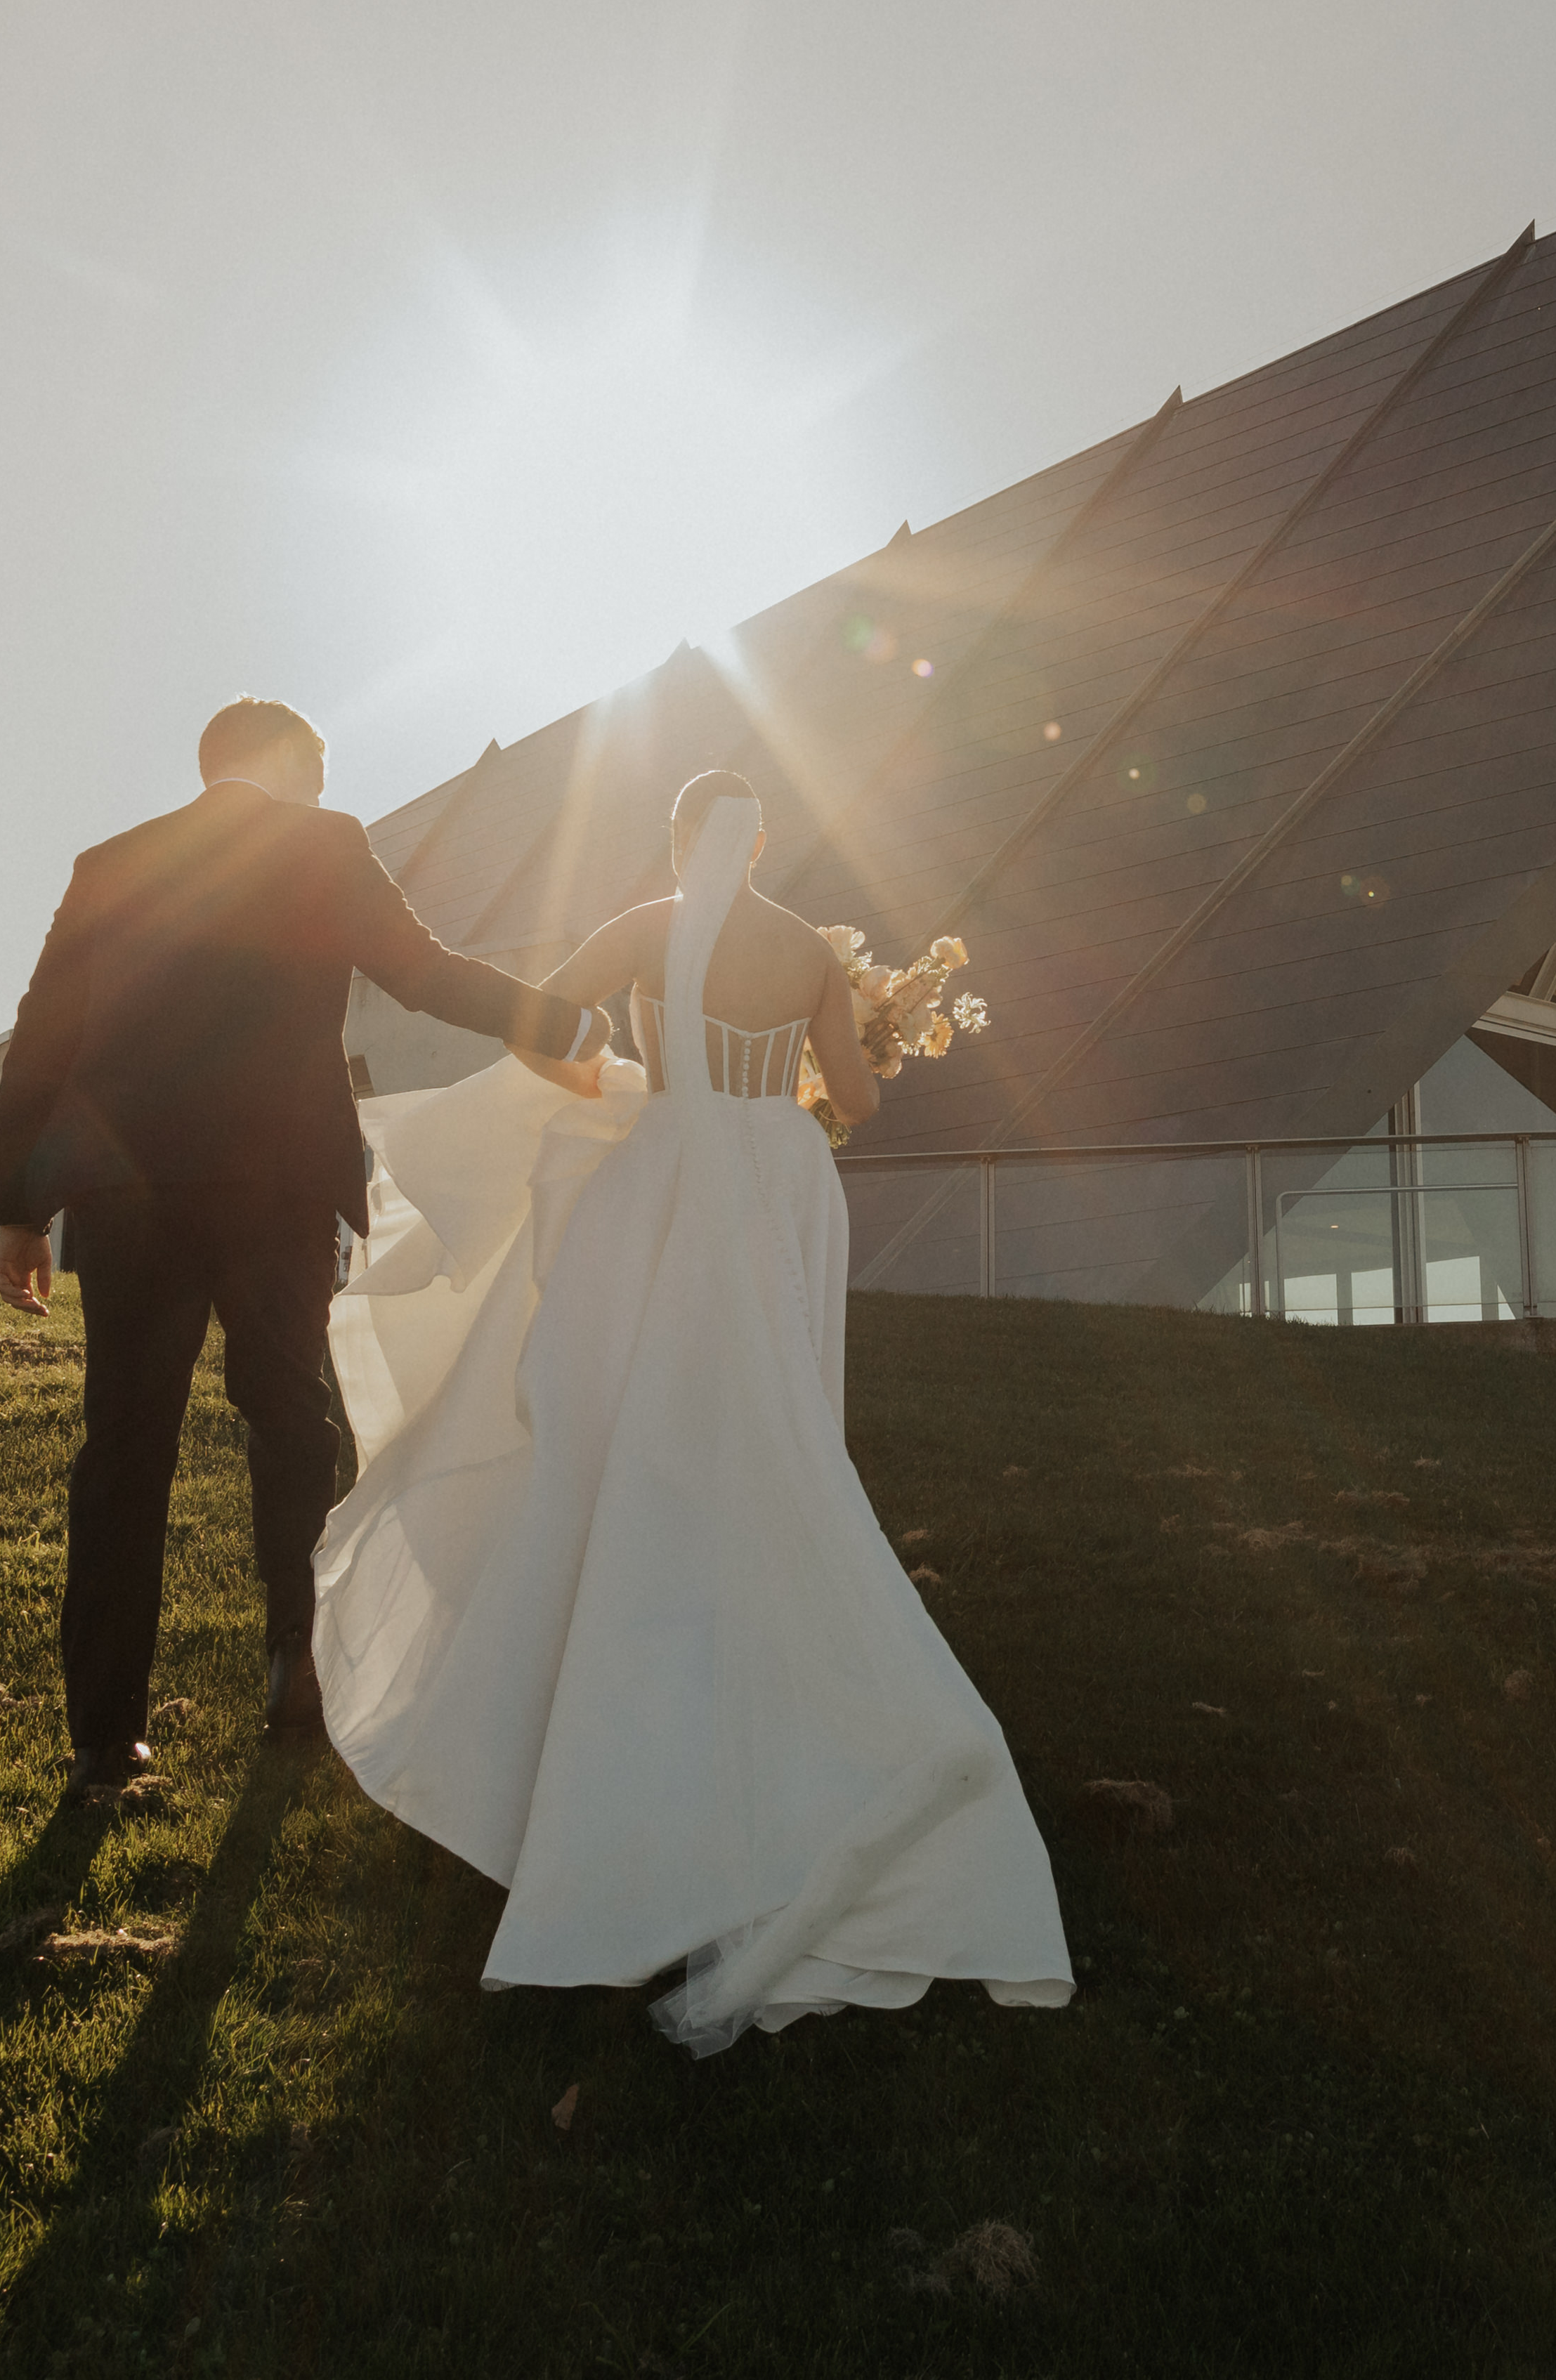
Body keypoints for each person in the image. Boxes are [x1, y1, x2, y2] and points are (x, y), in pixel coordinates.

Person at [309, 771, 1075, 2051]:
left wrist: (611, 1076)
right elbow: (863, 1103)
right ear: (762, 840)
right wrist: (835, 1056)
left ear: (679, 838)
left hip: (662, 1170)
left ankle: (605, 1664)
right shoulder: (808, 951)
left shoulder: (645, 925)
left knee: (611, 1418)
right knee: (765, 1430)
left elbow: (539, 1027)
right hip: (772, 1179)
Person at [0, 696, 600, 1809]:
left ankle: (105, 1741)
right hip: (275, 1185)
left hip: (131, 1194)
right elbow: (420, 967)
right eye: (316, 772)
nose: (322, 790)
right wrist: (560, 1025)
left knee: (125, 1451)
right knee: (286, 1413)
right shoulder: (324, 843)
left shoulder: (109, 862)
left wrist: (19, 1208)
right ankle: (295, 1664)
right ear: (284, 762)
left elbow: (46, 1031)